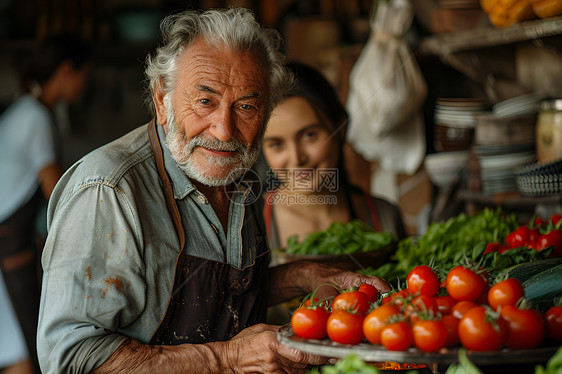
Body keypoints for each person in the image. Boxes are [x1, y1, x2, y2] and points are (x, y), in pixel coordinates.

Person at [37, 8, 390, 374]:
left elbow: (225, 293)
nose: (224, 130)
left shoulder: (239, 175)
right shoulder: (109, 190)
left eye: (247, 106)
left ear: (267, 112)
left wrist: (305, 276)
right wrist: (227, 358)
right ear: (162, 100)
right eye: (205, 101)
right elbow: (70, 359)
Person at [0, 33, 91, 374]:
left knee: (19, 354)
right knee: (25, 358)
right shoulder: (36, 116)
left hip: (12, 246)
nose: (84, 85)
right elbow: (58, 196)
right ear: (67, 70)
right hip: (6, 251)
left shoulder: (28, 108)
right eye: (85, 75)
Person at [262, 62, 406, 250]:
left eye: (309, 136)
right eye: (277, 145)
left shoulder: (385, 217)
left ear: (340, 129)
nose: (297, 158)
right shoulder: (250, 224)